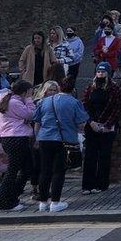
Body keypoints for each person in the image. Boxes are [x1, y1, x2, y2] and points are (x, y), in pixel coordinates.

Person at [31, 80, 89, 213]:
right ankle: (55, 202)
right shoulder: (74, 102)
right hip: (63, 140)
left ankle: (43, 202)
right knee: (58, 171)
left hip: (44, 138)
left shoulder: (43, 102)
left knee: (45, 171)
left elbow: (37, 123)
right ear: (72, 90)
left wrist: (37, 138)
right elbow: (81, 123)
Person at [0, 81, 36, 212]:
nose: (31, 94)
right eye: (30, 92)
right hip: (16, 138)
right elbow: (31, 114)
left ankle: (12, 197)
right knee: (12, 171)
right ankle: (4, 202)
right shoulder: (15, 102)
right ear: (24, 92)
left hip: (11, 138)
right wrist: (29, 101)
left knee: (27, 168)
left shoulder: (9, 100)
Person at [81, 62, 121, 194]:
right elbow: (85, 105)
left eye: (103, 72)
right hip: (92, 125)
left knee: (104, 156)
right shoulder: (90, 87)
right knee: (90, 156)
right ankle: (87, 185)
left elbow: (116, 108)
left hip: (106, 127)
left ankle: (101, 184)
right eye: (98, 72)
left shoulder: (114, 88)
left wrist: (107, 125)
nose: (100, 74)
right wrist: (91, 122)